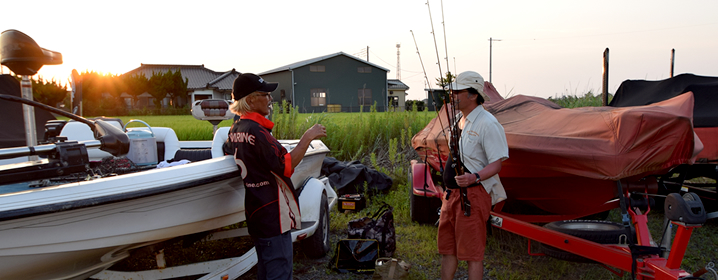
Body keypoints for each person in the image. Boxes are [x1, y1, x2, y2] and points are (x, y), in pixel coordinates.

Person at [224, 73, 326, 280]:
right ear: (250, 100)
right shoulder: (258, 132)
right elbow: (286, 167)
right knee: (279, 272)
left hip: (255, 212)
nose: (270, 99)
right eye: (265, 94)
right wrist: (307, 137)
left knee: (265, 270)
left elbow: (228, 150)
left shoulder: (236, 129)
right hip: (273, 215)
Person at [437, 71, 509, 280]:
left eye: (457, 91)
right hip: (451, 197)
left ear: (473, 94)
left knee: (472, 254)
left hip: (473, 197)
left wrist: (474, 177)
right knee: (447, 249)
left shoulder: (488, 123)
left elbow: (496, 164)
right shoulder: (459, 120)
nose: (453, 95)